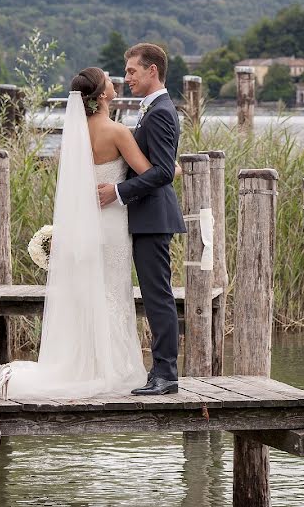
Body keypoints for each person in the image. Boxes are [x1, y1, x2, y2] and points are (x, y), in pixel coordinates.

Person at [0, 67, 155, 400]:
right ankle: (110, 367)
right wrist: (171, 167)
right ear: (102, 94)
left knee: (88, 292)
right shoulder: (117, 131)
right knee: (112, 292)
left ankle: (87, 363)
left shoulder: (77, 133)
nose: (115, 82)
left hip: (84, 224)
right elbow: (149, 172)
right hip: (112, 224)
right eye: (108, 80)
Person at [97, 43, 186, 396]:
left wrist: (118, 193)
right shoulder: (151, 109)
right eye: (126, 70)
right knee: (153, 296)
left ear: (153, 71)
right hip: (145, 216)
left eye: (133, 71)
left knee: (157, 296)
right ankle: (160, 373)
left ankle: (166, 375)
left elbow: (164, 172)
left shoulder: (162, 111)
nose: (127, 77)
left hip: (153, 217)